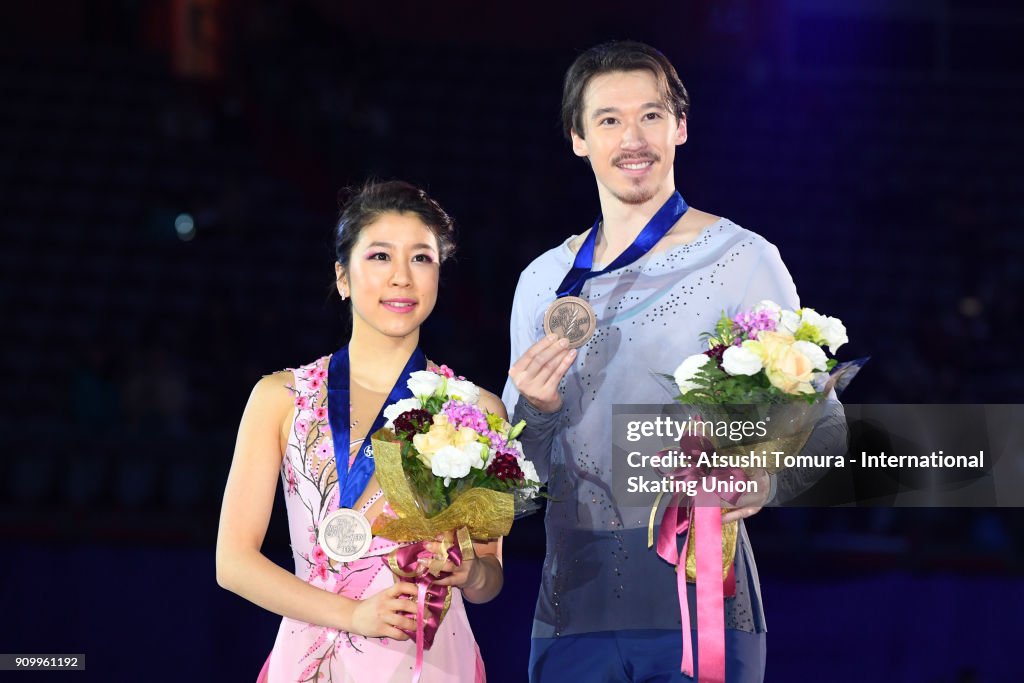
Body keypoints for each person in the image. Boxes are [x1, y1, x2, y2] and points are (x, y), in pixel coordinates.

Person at [502, 41, 844, 683]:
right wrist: (538, 413)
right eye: (608, 119)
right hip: (572, 601)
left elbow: (824, 430)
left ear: (680, 126)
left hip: (704, 595)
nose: (633, 138)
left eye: (651, 115)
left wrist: (763, 481)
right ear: (578, 138)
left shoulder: (744, 260)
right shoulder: (543, 281)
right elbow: (521, 481)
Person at [217, 180, 505, 682]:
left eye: (421, 258)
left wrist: (471, 573)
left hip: (431, 661)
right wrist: (353, 615)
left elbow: (490, 576)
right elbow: (233, 563)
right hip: (310, 658)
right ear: (342, 277)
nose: (401, 277)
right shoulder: (279, 398)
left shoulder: (476, 409)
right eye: (379, 257)